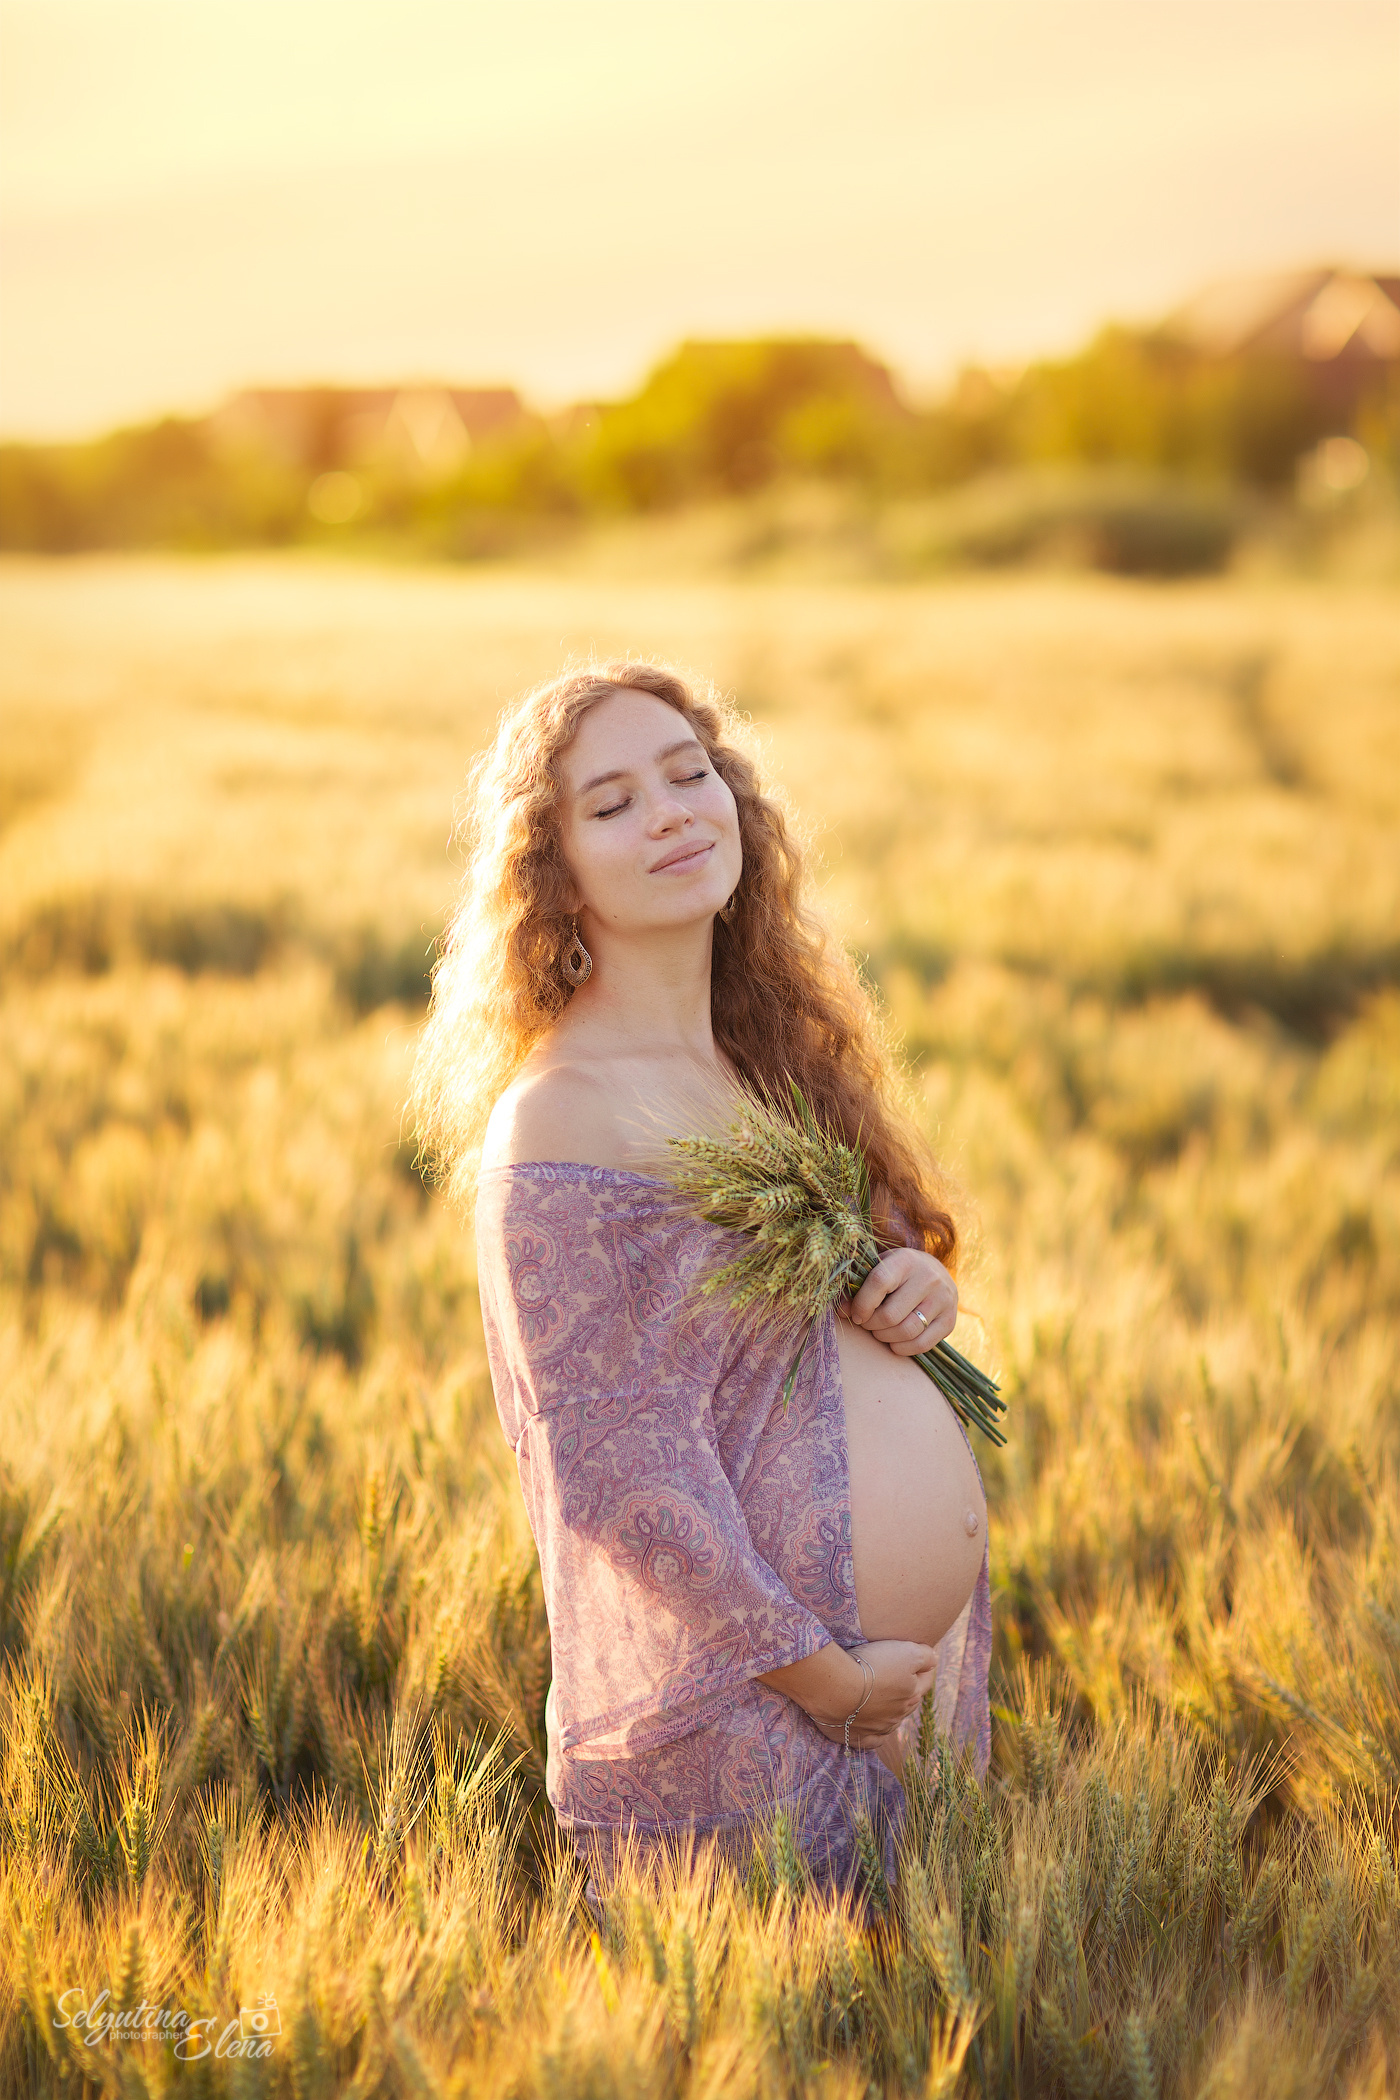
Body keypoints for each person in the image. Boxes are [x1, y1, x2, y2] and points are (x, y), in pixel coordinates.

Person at [410, 658, 991, 1896]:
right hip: (759, 1723)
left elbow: (855, 1297)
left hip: (895, 1705)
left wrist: (912, 1288)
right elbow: (612, 1464)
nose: (672, 810)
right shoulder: (560, 1115)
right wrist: (822, 1678)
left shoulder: (765, 1062)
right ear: (552, 874)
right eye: (612, 803)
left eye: (690, 774)